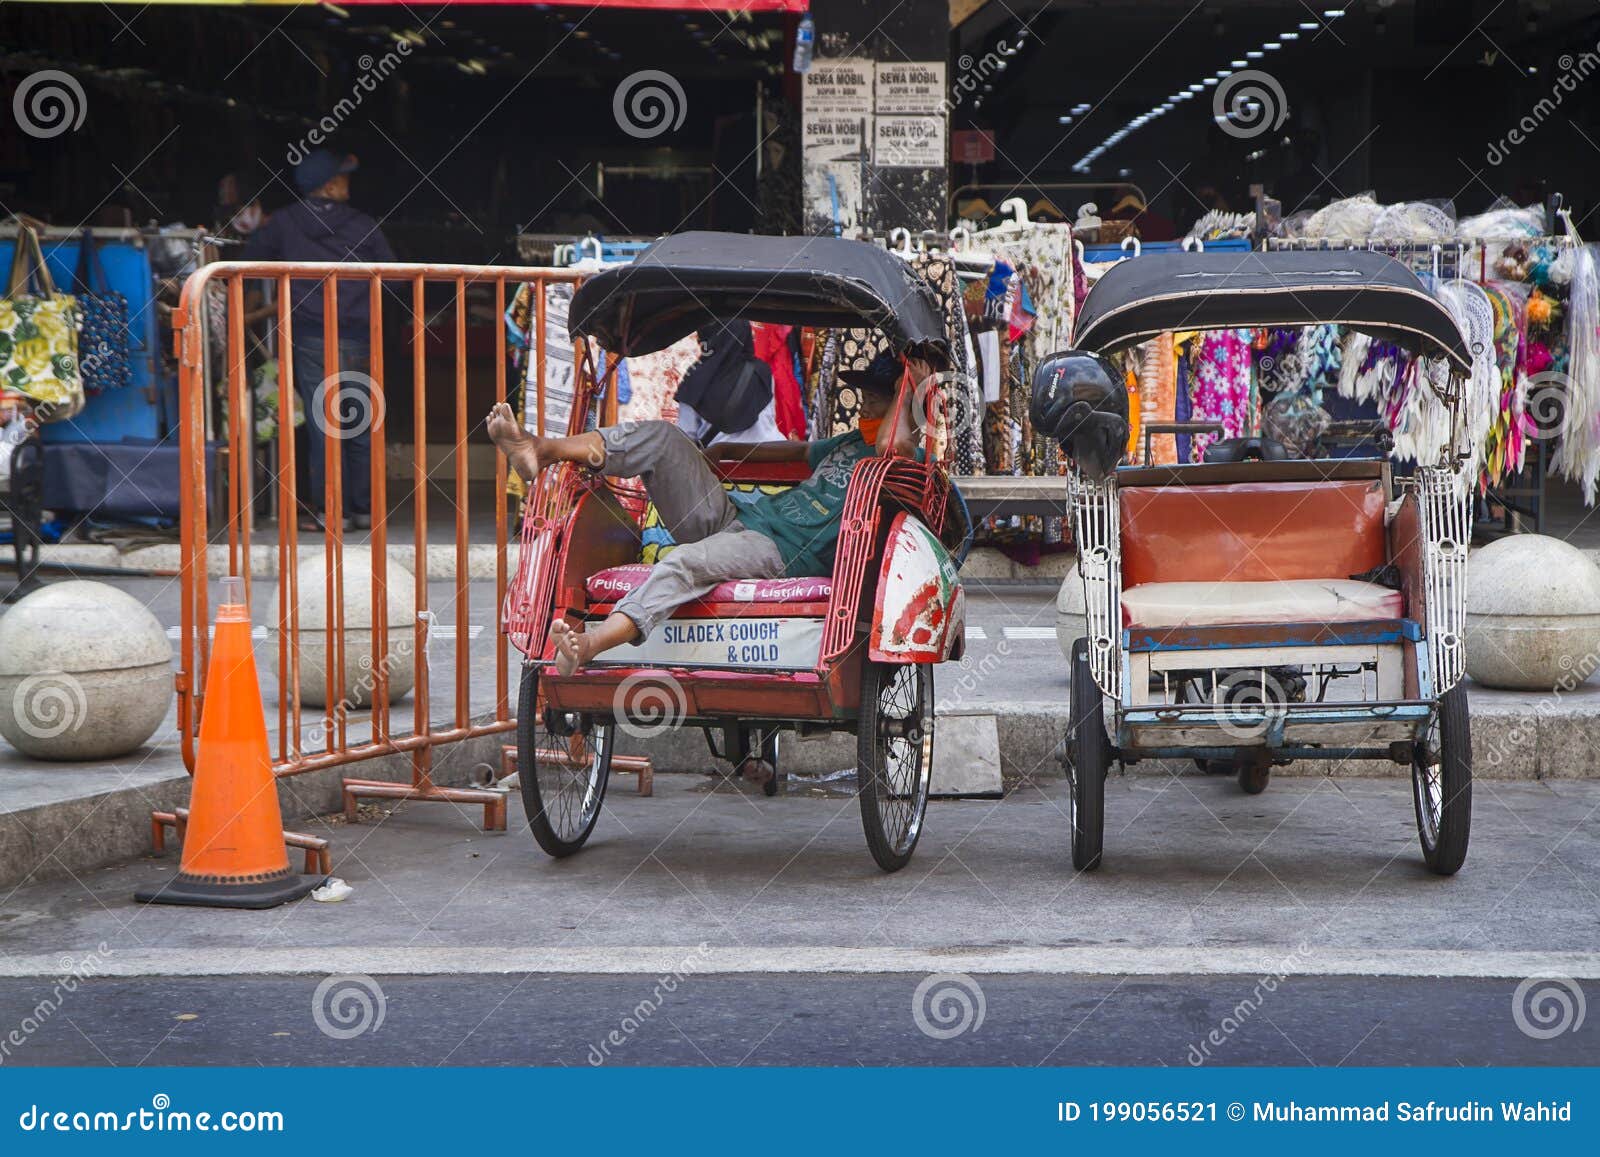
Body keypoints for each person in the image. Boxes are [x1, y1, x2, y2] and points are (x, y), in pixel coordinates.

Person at [488, 349, 919, 675]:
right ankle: (542, 449)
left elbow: (890, 446)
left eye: (877, 401)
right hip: (739, 518)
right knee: (663, 438)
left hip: (778, 552)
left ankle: (590, 644)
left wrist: (909, 389)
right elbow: (791, 451)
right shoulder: (843, 444)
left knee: (687, 561)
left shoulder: (902, 457)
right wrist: (723, 451)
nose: (864, 407)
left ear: (899, 404)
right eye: (863, 397)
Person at [243, 149, 394, 530]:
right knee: (360, 420)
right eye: (343, 178)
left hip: (311, 336)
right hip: (359, 338)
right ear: (328, 185)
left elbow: (252, 254)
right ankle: (365, 509)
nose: (348, 185)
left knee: (324, 424)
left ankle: (333, 512)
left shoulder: (286, 223)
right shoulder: (363, 225)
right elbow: (392, 276)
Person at [673, 319, 786, 446]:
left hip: (719, 461)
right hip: (770, 454)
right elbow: (769, 418)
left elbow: (686, 437)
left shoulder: (695, 379)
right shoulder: (762, 371)